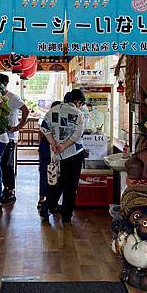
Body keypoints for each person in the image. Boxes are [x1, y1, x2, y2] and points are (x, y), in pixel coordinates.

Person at [40, 89, 86, 223]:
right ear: (77, 101)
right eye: (81, 103)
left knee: (56, 182)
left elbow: (44, 128)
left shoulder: (53, 110)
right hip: (73, 154)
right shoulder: (78, 114)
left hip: (55, 154)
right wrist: (64, 146)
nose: (80, 106)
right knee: (71, 186)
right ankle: (66, 215)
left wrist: (54, 144)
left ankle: (48, 207)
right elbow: (77, 135)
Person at [0, 73, 30, 204]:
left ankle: (10, 191)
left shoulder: (13, 97)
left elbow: (26, 111)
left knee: (7, 165)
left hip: (9, 138)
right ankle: (3, 189)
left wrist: (18, 127)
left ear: (4, 84)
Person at [37, 101, 61, 210]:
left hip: (46, 151)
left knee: (44, 174)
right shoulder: (61, 118)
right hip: (54, 151)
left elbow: (44, 131)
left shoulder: (47, 118)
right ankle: (52, 201)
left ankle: (42, 199)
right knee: (54, 175)